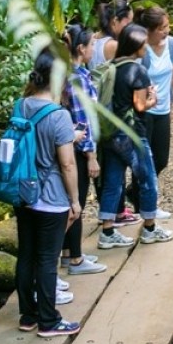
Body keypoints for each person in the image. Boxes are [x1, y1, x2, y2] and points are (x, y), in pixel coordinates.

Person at [14, 49, 83, 337]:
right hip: (51, 198)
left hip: (23, 193)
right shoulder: (59, 115)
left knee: (26, 255)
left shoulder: (20, 106)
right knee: (47, 259)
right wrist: (75, 201)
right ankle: (49, 321)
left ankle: (28, 316)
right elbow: (66, 164)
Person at [97, 24, 173, 248]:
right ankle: (150, 228)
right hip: (131, 134)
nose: (146, 48)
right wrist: (154, 98)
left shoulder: (113, 67)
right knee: (148, 179)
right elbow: (140, 105)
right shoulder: (137, 70)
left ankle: (107, 232)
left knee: (113, 182)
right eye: (143, 44)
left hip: (111, 134)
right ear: (135, 46)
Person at [59, 24, 108, 275]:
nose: (93, 49)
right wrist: (92, 156)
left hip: (71, 148)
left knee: (72, 200)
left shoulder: (75, 73)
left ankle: (69, 254)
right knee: (76, 202)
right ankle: (76, 259)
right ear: (81, 48)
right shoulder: (77, 78)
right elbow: (83, 119)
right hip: (77, 150)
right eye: (91, 45)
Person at [89, 0, 142, 226]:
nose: (130, 26)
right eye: (128, 21)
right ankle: (115, 212)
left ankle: (112, 210)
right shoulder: (112, 45)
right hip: (110, 109)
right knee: (114, 164)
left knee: (104, 159)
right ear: (115, 21)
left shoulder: (93, 39)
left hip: (95, 107)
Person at [138, 6, 173, 219]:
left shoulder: (172, 44)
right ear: (149, 30)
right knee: (146, 160)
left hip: (164, 109)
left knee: (160, 159)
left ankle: (134, 195)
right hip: (146, 111)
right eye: (162, 28)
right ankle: (147, 205)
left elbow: (172, 69)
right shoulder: (141, 50)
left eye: (167, 26)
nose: (167, 31)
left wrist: (171, 95)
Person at [89, 0, 133, 68]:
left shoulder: (92, 37)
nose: (130, 28)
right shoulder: (114, 46)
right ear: (115, 21)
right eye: (128, 23)